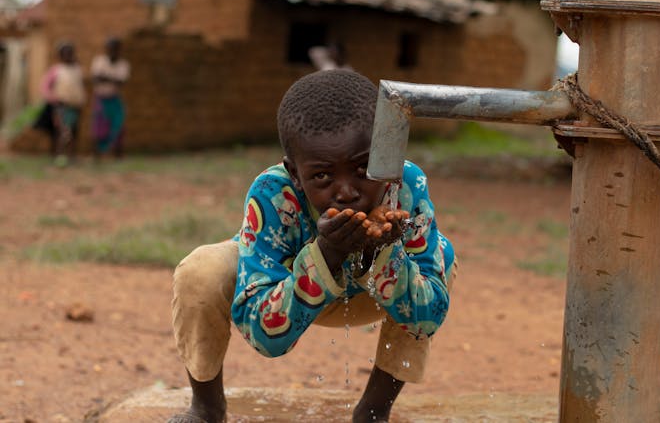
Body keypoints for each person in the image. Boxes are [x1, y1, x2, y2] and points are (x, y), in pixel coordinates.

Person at [168, 70, 456, 423]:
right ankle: (207, 409)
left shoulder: (405, 186)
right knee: (202, 270)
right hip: (289, 292)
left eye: (364, 168)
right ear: (295, 175)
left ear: (387, 154)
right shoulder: (273, 196)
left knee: (440, 253)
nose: (347, 192)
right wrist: (327, 254)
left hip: (374, 293)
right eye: (322, 176)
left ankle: (373, 411)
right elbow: (266, 339)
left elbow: (428, 319)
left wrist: (385, 255)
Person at [36, 42, 86, 166]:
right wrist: (54, 99)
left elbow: (80, 87)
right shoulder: (56, 70)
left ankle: (71, 157)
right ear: (60, 55)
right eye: (65, 53)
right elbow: (44, 87)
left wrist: (81, 101)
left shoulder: (77, 69)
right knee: (62, 132)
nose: (69, 56)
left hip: (75, 106)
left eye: (70, 53)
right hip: (61, 106)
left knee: (74, 132)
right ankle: (58, 156)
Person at [90, 37, 130, 158]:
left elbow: (121, 82)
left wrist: (105, 78)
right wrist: (113, 79)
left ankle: (118, 154)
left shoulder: (123, 64)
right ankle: (97, 155)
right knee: (99, 128)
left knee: (118, 126)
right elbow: (96, 78)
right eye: (110, 48)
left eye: (115, 48)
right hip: (101, 99)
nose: (112, 51)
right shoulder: (99, 61)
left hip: (114, 99)